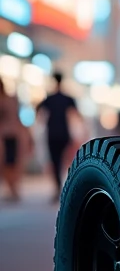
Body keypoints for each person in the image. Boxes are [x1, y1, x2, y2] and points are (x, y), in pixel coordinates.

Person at [37, 72, 79, 201]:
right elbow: (76, 115)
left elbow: (38, 112)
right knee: (65, 160)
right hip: (64, 133)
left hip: (52, 133)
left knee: (55, 161)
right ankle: (66, 186)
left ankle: (57, 188)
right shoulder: (67, 98)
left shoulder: (49, 99)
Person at [0, 78, 29, 202]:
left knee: (7, 162)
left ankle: (13, 189)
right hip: (14, 133)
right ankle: (13, 189)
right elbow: (18, 118)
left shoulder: (3, 101)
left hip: (4, 134)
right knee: (12, 162)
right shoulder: (12, 99)